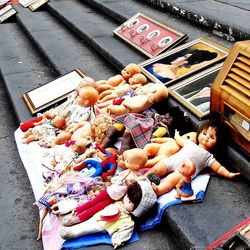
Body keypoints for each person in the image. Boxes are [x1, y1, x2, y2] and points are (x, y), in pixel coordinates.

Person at [144, 120, 240, 196]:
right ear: (199, 133)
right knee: (156, 168)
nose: (206, 137)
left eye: (212, 137)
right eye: (205, 133)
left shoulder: (208, 157)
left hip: (183, 172)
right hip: (172, 161)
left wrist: (228, 174)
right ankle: (143, 178)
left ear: (217, 144)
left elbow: (219, 168)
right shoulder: (190, 143)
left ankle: (159, 190)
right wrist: (176, 135)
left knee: (170, 180)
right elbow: (179, 140)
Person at [60, 180, 157, 249]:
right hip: (98, 216)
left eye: (130, 201)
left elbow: (125, 232)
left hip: (102, 225)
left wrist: (118, 240)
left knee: (87, 228)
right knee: (88, 221)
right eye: (127, 195)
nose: (126, 199)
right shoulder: (120, 203)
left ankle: (71, 232)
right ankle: (71, 224)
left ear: (138, 209)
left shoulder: (127, 222)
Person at [144, 49, 218, 84]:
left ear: (186, 62)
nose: (179, 57)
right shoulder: (162, 64)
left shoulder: (171, 77)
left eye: (184, 56)